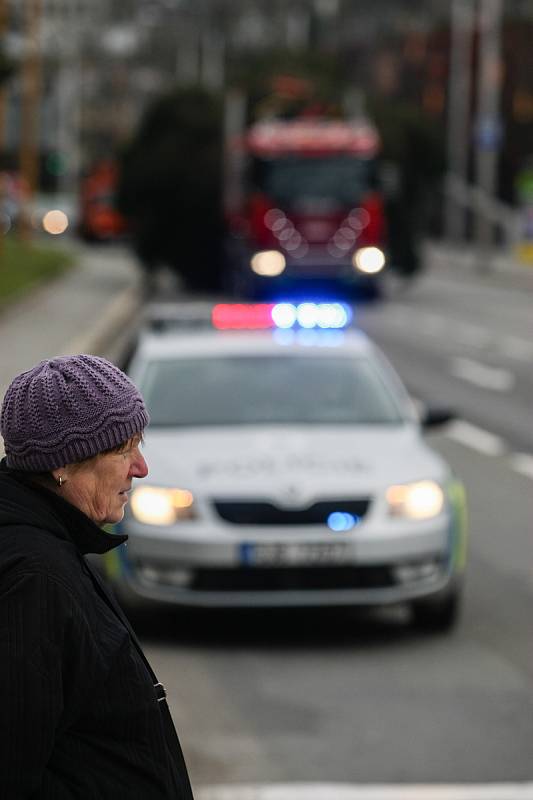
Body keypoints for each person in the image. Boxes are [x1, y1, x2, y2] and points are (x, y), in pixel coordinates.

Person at [0, 354, 194, 799]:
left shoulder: (51, 546)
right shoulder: (33, 579)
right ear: (62, 465)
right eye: (122, 448)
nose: (141, 467)